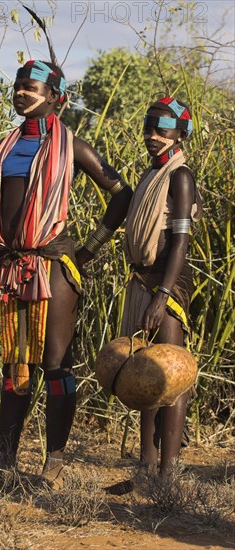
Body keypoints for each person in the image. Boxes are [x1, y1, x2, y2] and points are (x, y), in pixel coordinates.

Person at [0, 60, 133, 488]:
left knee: (55, 365)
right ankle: (4, 463)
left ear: (55, 96)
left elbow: (121, 194)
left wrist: (89, 249)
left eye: (31, 87)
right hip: (10, 266)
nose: (21, 93)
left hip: (53, 266)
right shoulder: (5, 147)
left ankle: (53, 463)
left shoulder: (71, 146)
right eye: (18, 86)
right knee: (15, 367)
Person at [108, 97, 202, 494]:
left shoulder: (179, 177)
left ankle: (168, 476)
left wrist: (162, 295)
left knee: (171, 377)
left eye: (162, 129)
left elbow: (179, 240)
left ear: (180, 134)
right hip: (142, 281)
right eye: (148, 128)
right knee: (143, 375)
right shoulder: (152, 174)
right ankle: (145, 470)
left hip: (164, 283)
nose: (152, 136)